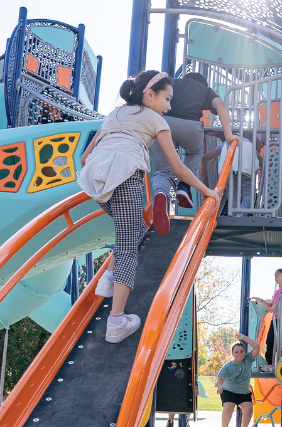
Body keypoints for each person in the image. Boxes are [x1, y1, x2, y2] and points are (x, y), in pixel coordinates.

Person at [78, 70, 219, 344]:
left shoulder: (114, 114)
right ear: (149, 94)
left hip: (97, 184)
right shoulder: (157, 120)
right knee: (131, 246)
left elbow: (85, 158)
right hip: (127, 178)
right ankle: (116, 322)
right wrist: (206, 190)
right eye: (167, 99)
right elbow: (177, 167)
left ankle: (108, 278)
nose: (169, 106)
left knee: (128, 229)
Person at [151, 71, 234, 213]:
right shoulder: (204, 89)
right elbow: (220, 104)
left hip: (164, 124)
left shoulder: (171, 83)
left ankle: (161, 193)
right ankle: (184, 187)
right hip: (191, 126)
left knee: (163, 170)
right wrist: (229, 135)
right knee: (195, 153)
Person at [215, 331, 261, 427]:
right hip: (228, 391)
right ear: (232, 353)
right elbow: (220, 379)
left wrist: (244, 338)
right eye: (236, 352)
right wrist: (220, 386)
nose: (239, 354)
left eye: (241, 351)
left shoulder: (248, 360)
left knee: (249, 408)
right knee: (228, 407)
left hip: (243, 392)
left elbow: (257, 347)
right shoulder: (228, 366)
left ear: (245, 352)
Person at [250, 268, 282, 365]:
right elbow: (270, 305)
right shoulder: (276, 291)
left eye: (278, 275)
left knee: (281, 341)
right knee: (270, 340)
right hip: (275, 318)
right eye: (275, 275)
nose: (275, 277)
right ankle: (270, 363)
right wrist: (260, 300)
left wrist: (277, 305)